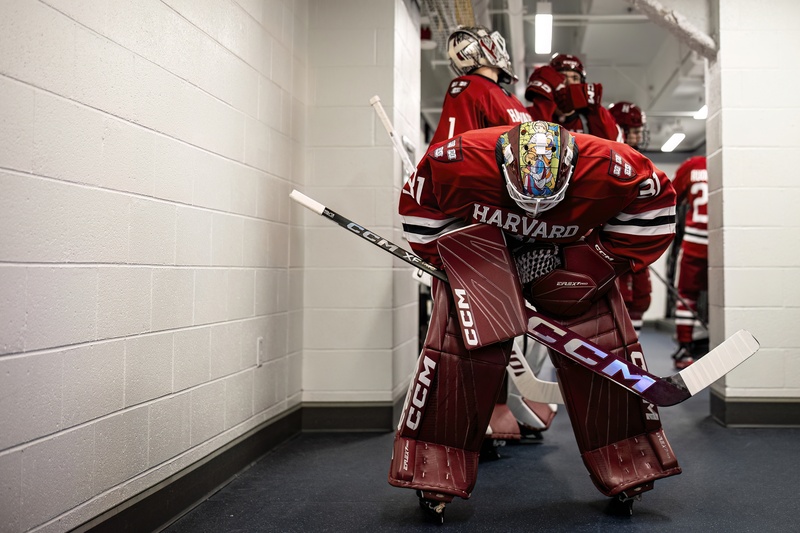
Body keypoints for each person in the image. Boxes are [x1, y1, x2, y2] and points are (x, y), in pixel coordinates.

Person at [392, 120, 679, 522]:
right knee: (457, 353)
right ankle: (434, 471)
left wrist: (601, 260)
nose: (536, 212)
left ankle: (628, 463)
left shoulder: (615, 166)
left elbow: (657, 212)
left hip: (571, 250)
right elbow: (419, 213)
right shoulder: (456, 159)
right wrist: (462, 262)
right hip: (490, 247)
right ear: (502, 166)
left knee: (600, 346)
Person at [427, 25, 549, 451]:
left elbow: (453, 152)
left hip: (498, 225)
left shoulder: (484, 93)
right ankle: (489, 414)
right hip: (509, 226)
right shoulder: (502, 100)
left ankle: (491, 413)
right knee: (495, 325)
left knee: (489, 325)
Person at [609, 101, 652, 334]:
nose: (637, 136)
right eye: (633, 131)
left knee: (640, 299)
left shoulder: (640, 161)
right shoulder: (613, 158)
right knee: (618, 299)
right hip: (615, 243)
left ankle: (634, 356)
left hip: (637, 241)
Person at [524, 53, 621, 141]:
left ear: (582, 83)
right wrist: (543, 100)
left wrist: (595, 109)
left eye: (575, 78)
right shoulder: (534, 112)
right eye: (563, 77)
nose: (569, 82)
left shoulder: (589, 117)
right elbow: (529, 143)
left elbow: (612, 142)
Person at [670, 155, 709, 369]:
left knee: (686, 294)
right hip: (726, 242)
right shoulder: (736, 158)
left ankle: (684, 348)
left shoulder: (693, 165)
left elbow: (670, 197)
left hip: (695, 240)